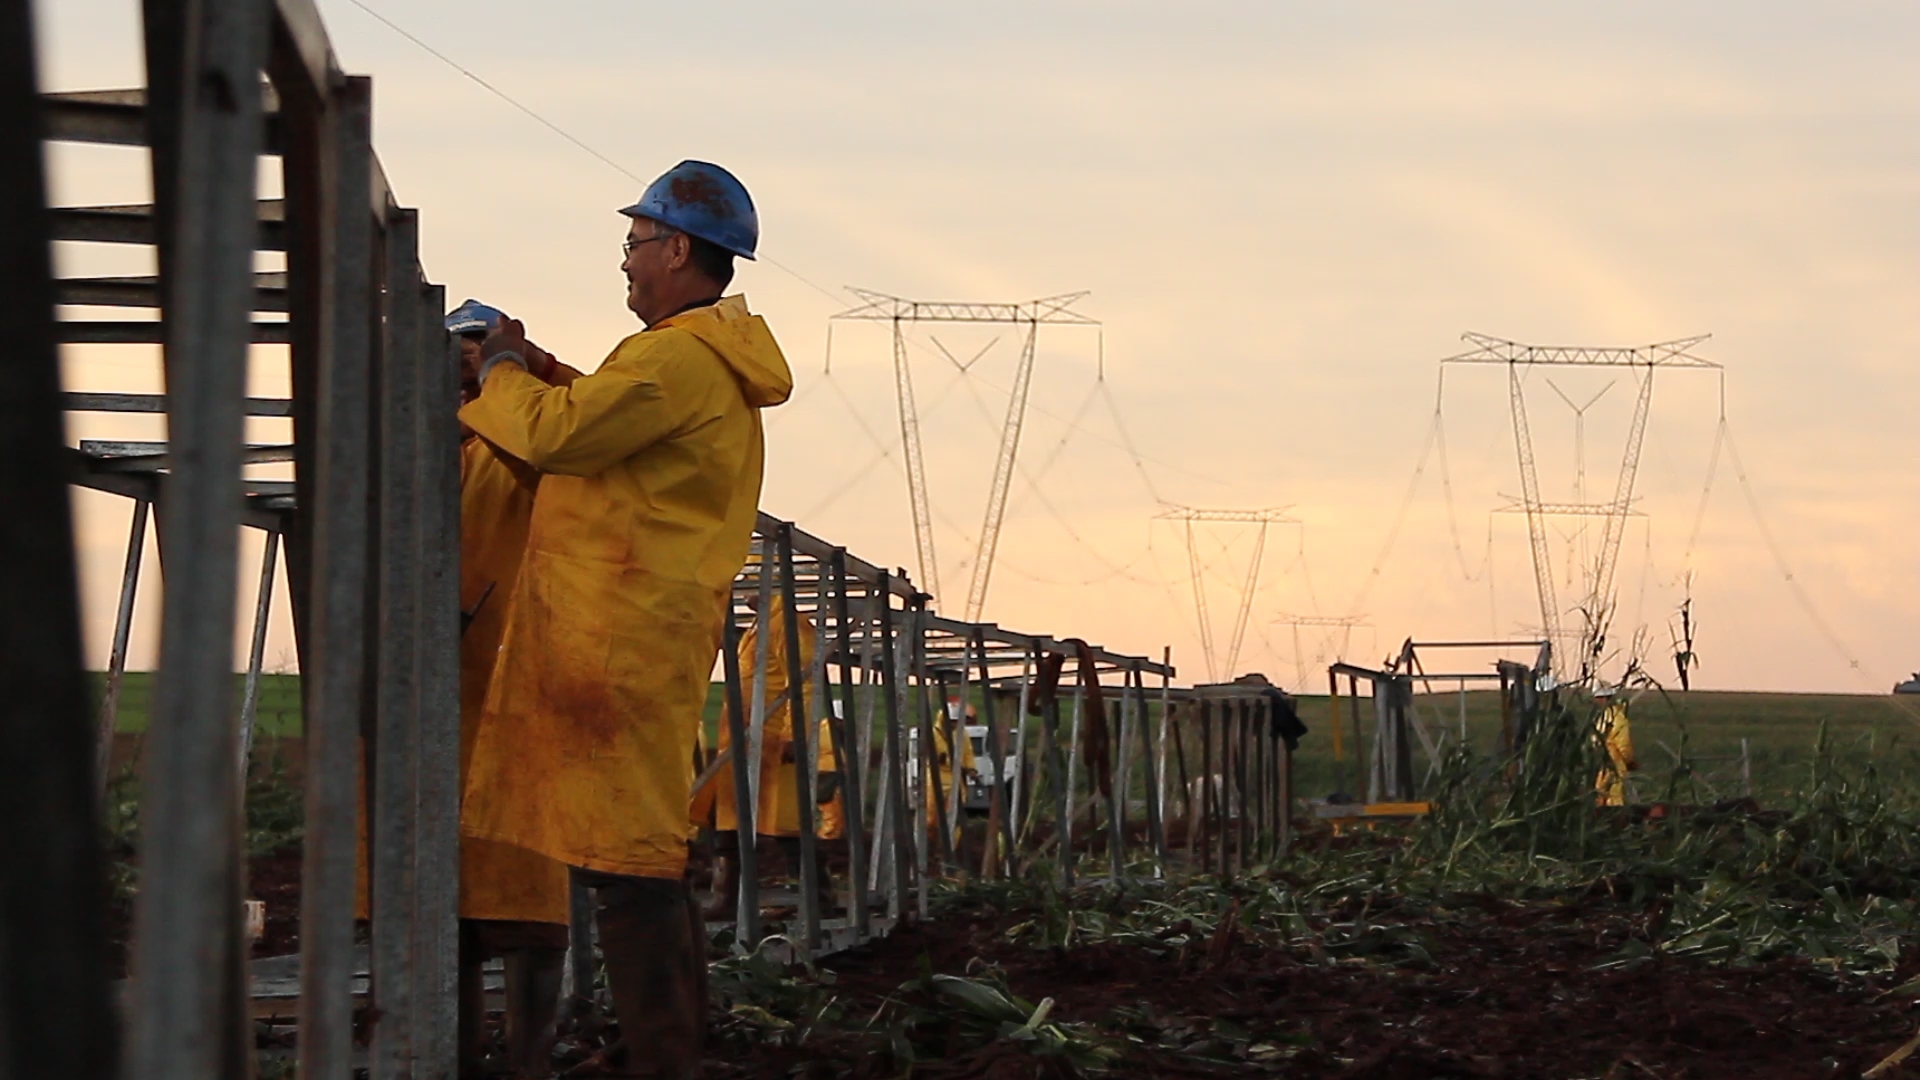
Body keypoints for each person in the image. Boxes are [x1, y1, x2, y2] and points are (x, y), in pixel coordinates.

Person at [458, 161, 792, 1079]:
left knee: (625, 863)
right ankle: (670, 1050)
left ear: (679, 248)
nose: (628, 263)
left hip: (620, 634)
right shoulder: (693, 361)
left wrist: (497, 370)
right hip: (641, 631)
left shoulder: (676, 358)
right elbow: (601, 414)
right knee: (641, 853)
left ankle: (664, 1059)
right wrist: (535, 371)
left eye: (637, 245)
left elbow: (565, 436)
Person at [690, 591, 841, 919]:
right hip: (744, 743)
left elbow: (806, 680)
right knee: (730, 822)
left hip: (773, 745)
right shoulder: (759, 628)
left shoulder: (786, 624)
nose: (743, 593)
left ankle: (818, 899)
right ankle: (728, 899)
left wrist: (795, 734)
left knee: (788, 825)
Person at [1593, 686, 1637, 807]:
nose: (1598, 701)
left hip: (1612, 760)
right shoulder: (1612, 717)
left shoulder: (1613, 718)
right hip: (1609, 761)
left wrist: (1626, 759)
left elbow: (1623, 744)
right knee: (1608, 794)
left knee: (1611, 793)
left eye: (1601, 698)